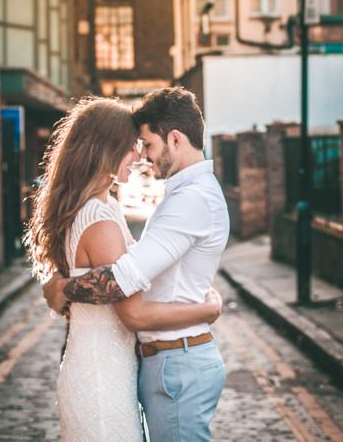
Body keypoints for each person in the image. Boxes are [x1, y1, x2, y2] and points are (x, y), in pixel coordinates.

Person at [26, 95, 222, 442]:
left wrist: (59, 286)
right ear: (104, 149)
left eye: (144, 144)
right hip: (104, 374)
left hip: (116, 368)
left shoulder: (108, 210)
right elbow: (131, 307)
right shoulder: (102, 218)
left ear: (175, 139)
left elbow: (122, 283)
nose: (140, 156)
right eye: (133, 146)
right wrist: (207, 309)